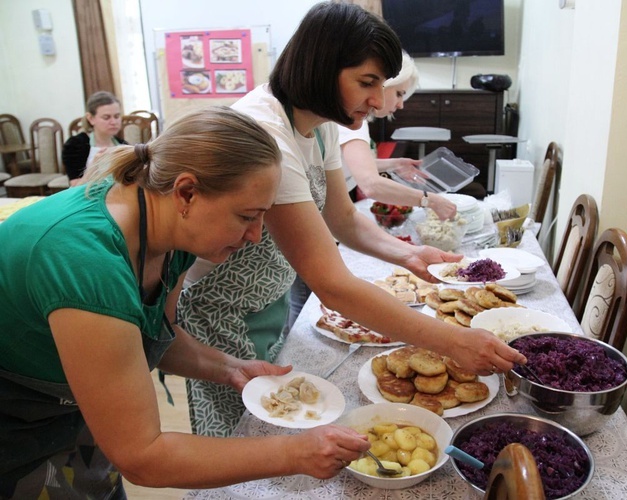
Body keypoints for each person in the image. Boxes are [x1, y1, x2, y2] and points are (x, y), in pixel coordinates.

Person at [178, 2, 526, 439]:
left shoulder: (319, 126)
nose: (378, 101)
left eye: (383, 85)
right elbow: (332, 283)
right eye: (367, 83)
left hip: (266, 301)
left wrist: (411, 254)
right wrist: (450, 341)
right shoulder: (268, 136)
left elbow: (343, 218)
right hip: (223, 314)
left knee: (276, 421)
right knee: (242, 440)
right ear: (322, 68)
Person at [0, 106, 371, 498]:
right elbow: (142, 456)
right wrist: (295, 453)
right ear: (186, 193)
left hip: (68, 412)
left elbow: (157, 336)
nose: (255, 236)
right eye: (247, 216)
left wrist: (230, 368)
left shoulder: (169, 234)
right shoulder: (85, 263)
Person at [339, 51, 457, 220]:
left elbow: (353, 164)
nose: (401, 105)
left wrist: (395, 164)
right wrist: (430, 200)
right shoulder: (354, 122)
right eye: (399, 94)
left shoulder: (349, 118)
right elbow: (371, 184)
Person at [62, 91, 127, 186]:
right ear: (91, 118)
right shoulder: (75, 145)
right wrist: (94, 168)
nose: (113, 122)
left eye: (117, 116)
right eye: (106, 117)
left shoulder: (123, 144)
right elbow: (75, 188)